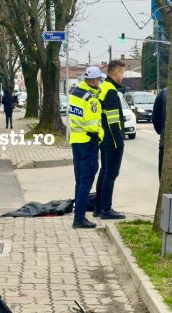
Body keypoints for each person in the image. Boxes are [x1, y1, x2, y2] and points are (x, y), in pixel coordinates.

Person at [68, 66, 106, 229]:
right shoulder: (91, 99)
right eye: (99, 80)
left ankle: (78, 214)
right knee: (86, 181)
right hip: (88, 142)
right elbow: (92, 125)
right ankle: (79, 218)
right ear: (93, 81)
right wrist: (100, 134)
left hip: (76, 140)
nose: (100, 83)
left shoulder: (75, 94)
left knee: (79, 180)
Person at [93, 59, 127, 220]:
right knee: (110, 174)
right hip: (112, 139)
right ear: (116, 73)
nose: (123, 76)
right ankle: (106, 209)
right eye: (123, 73)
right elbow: (113, 121)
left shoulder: (103, 88)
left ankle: (98, 208)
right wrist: (119, 141)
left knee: (104, 171)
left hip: (104, 138)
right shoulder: (111, 91)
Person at [152, 88, 172, 186]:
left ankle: (165, 201)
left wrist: (163, 132)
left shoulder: (164, 93)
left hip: (166, 146)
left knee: (166, 185)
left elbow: (155, 119)